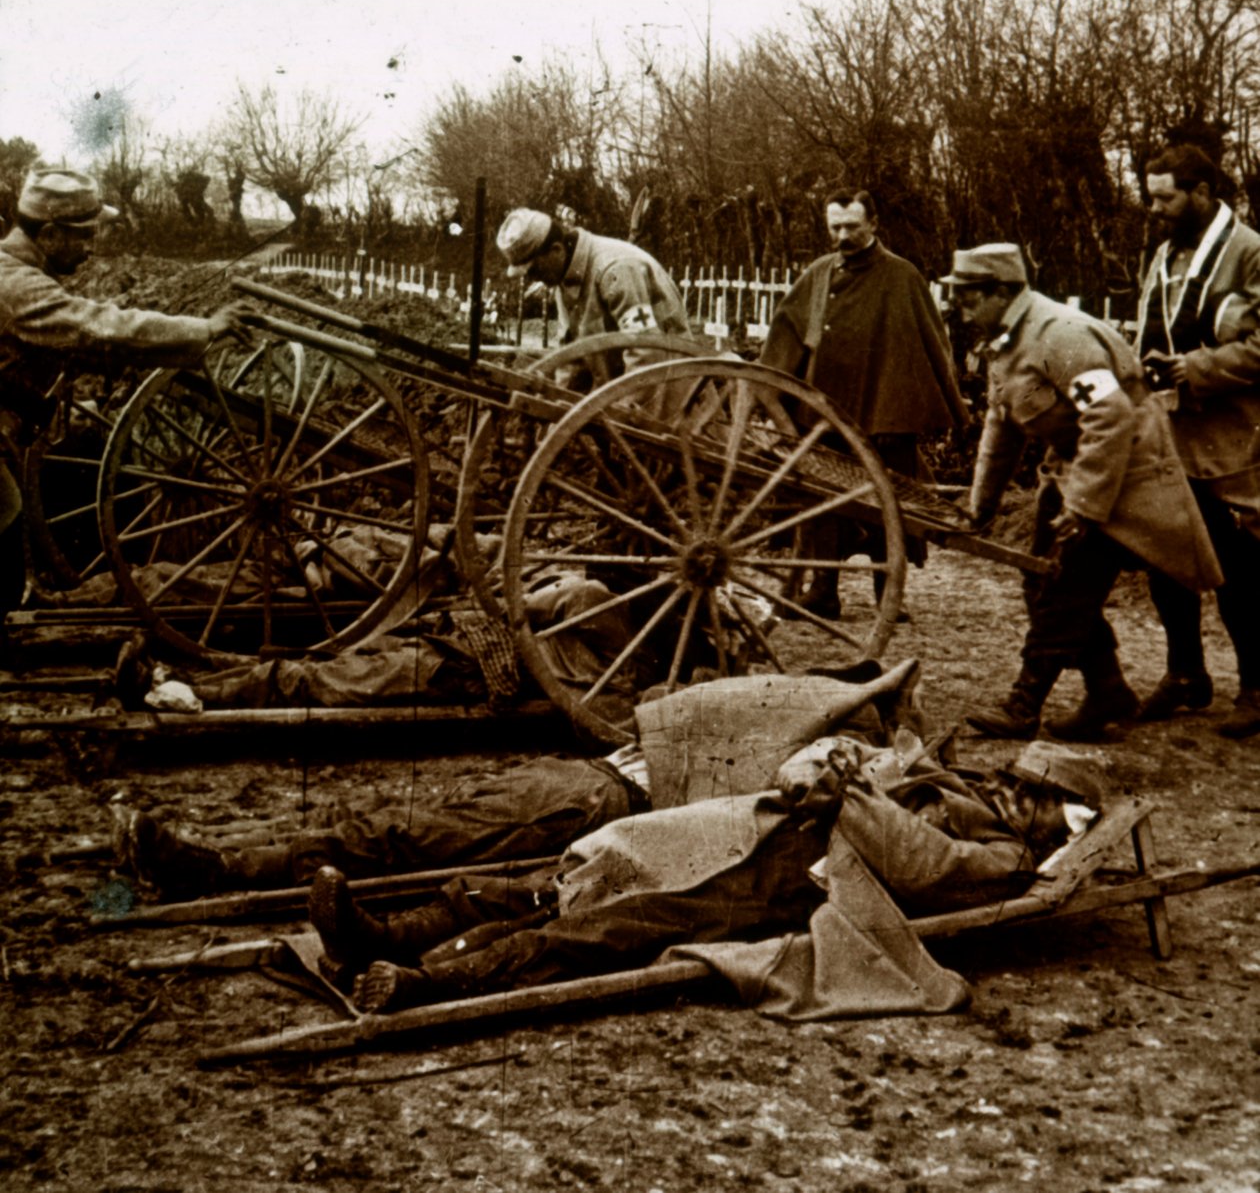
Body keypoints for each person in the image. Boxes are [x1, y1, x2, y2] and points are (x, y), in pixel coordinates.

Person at [308, 734, 1107, 1015]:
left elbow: (920, 865)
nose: (1013, 792)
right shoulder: (959, 793)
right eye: (1017, 780)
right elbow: (852, 767)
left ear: (1057, 825)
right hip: (752, 833)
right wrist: (838, 764)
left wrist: (851, 788)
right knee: (570, 875)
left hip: (784, 888)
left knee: (607, 929)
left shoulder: (1003, 860)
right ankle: (382, 936)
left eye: (1035, 797)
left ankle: (430, 984)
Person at [110, 663, 926, 900]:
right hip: (590, 779)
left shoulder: (849, 762)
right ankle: (216, 855)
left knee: (408, 837)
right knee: (409, 821)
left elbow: (795, 786)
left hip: (604, 804)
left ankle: (211, 868)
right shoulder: (823, 712)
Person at [946, 243, 1221, 741]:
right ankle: (1108, 692)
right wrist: (978, 508)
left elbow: (1110, 416)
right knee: (1039, 582)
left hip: (1128, 477)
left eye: (969, 298)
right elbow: (1001, 428)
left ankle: (1024, 705)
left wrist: (1084, 506)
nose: (961, 310)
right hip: (1078, 469)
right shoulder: (1007, 342)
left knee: (1063, 588)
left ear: (1003, 291)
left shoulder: (1060, 335)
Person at [0, 167, 251, 615]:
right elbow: (97, 328)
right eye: (84, 235)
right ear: (52, 234)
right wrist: (203, 329)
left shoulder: (18, 271)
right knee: (5, 514)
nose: (91, 248)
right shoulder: (15, 285)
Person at [759, 189, 970, 617]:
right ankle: (823, 591)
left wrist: (921, 407)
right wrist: (770, 392)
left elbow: (931, 344)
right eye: (834, 227)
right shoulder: (819, 274)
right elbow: (787, 330)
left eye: (852, 227)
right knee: (820, 500)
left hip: (883, 411)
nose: (842, 236)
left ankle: (887, 593)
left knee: (887, 504)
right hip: (825, 411)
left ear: (873, 224)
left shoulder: (902, 276)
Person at [1134, 144, 1260, 739]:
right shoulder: (1162, 254)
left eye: (1165, 197)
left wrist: (1197, 369)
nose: (1154, 208)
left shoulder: (1251, 253)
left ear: (1203, 193)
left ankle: (1257, 686)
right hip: (1170, 436)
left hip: (1233, 443)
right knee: (1167, 557)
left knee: (1240, 568)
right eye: (1152, 196)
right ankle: (1186, 674)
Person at [496, 207, 691, 387]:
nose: (532, 278)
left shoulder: (616, 272)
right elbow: (572, 356)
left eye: (534, 269)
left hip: (667, 394)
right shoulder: (564, 281)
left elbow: (647, 350)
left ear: (556, 250)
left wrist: (618, 413)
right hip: (621, 397)